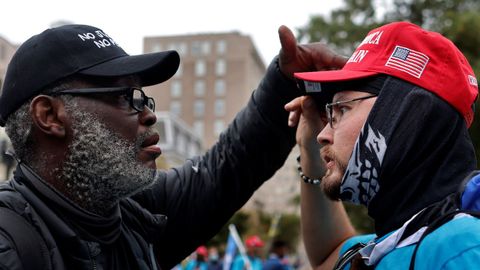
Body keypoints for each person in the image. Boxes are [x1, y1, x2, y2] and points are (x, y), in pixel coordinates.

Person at [0, 24, 346, 270]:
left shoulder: (137, 213)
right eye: (125, 97)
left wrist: (286, 84)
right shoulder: (10, 244)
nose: (149, 114)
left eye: (142, 97)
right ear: (49, 116)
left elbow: (227, 169)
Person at [285, 21, 480, 269]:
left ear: (407, 112)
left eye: (342, 109)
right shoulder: (395, 239)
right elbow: (327, 256)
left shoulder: (462, 250)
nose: (322, 134)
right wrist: (309, 149)